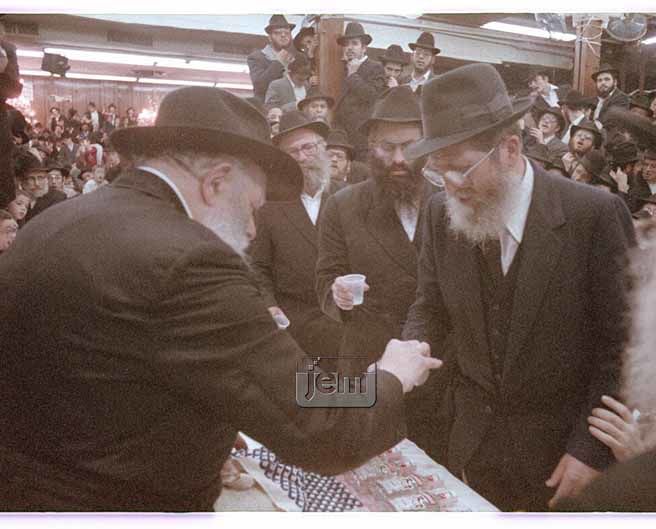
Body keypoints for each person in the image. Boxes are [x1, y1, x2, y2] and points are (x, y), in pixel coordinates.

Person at [0, 86, 441, 511]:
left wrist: (202, 434)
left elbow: (108, 374)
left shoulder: (57, 221)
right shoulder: (193, 261)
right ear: (215, 183)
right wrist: (389, 376)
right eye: (251, 208)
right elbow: (321, 423)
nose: (251, 231)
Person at [401, 63, 635, 511]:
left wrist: (591, 449)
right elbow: (430, 305)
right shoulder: (438, 213)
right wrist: (409, 352)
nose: (451, 186)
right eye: (438, 172)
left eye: (462, 170)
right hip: (472, 446)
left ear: (509, 149)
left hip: (563, 460)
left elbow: (623, 348)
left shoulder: (593, 215)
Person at [250, 111, 344, 360]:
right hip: (296, 331)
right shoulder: (268, 205)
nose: (301, 158)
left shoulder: (349, 197)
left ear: (323, 148)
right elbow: (258, 266)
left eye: (308, 148)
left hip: (347, 323)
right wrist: (270, 306)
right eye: (292, 152)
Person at [333, 22, 386, 162]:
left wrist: (353, 76)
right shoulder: (343, 67)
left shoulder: (375, 67)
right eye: (346, 44)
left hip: (361, 138)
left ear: (364, 47)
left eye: (354, 43)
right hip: (342, 136)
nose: (349, 47)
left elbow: (372, 96)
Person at [247, 15, 297, 102]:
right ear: (269, 38)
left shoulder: (297, 57)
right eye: (277, 33)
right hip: (269, 107)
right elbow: (259, 87)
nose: (283, 35)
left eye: (287, 33)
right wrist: (279, 63)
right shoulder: (257, 57)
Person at [13, 149, 66, 223]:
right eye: (31, 178)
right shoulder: (15, 198)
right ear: (22, 181)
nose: (37, 183)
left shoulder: (57, 198)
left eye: (40, 177)